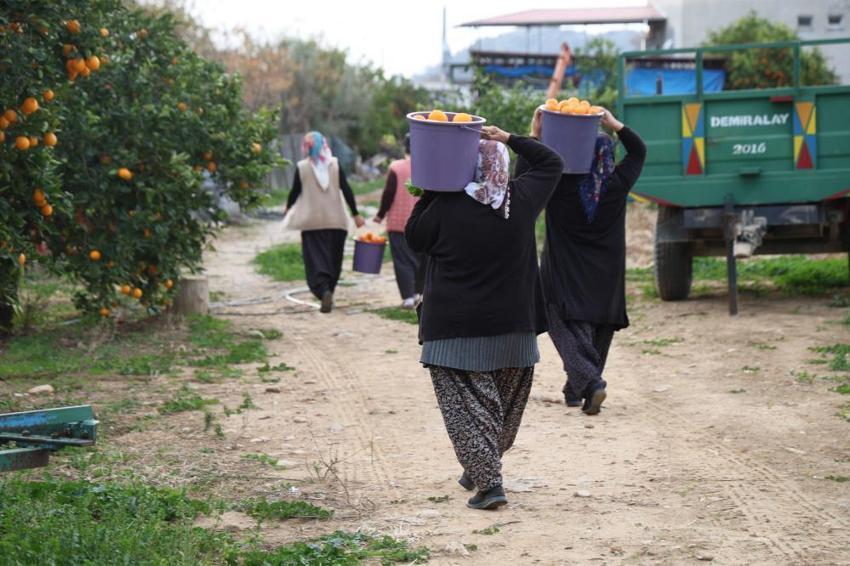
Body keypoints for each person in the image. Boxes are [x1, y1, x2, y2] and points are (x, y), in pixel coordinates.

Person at [405, 123, 563, 510]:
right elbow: (552, 161)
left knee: (465, 408)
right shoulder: (521, 199)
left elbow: (413, 238)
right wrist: (507, 137)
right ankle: (480, 466)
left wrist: (433, 186)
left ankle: (490, 485)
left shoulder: (445, 205)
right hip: (515, 329)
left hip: (454, 332)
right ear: (504, 167)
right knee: (503, 410)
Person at [517, 108, 646, 415]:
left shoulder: (558, 184)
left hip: (564, 270)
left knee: (560, 321)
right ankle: (576, 390)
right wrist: (613, 124)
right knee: (600, 327)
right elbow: (638, 151)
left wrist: (535, 134)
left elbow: (522, 177)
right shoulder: (617, 184)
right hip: (607, 274)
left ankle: (589, 383)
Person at [284, 131, 365, 313]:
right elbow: (346, 189)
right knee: (333, 259)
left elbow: (295, 191)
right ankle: (329, 290)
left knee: (315, 260)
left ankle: (323, 290)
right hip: (337, 222)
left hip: (312, 223)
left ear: (307, 147)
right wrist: (356, 214)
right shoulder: (335, 164)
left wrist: (288, 207)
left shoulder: (302, 167)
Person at [373, 134, 424, 309]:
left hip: (398, 222)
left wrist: (380, 215)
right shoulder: (427, 166)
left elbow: (388, 194)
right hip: (423, 222)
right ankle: (419, 293)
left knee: (402, 261)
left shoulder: (396, 167)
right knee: (421, 259)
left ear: (405, 148)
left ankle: (408, 297)